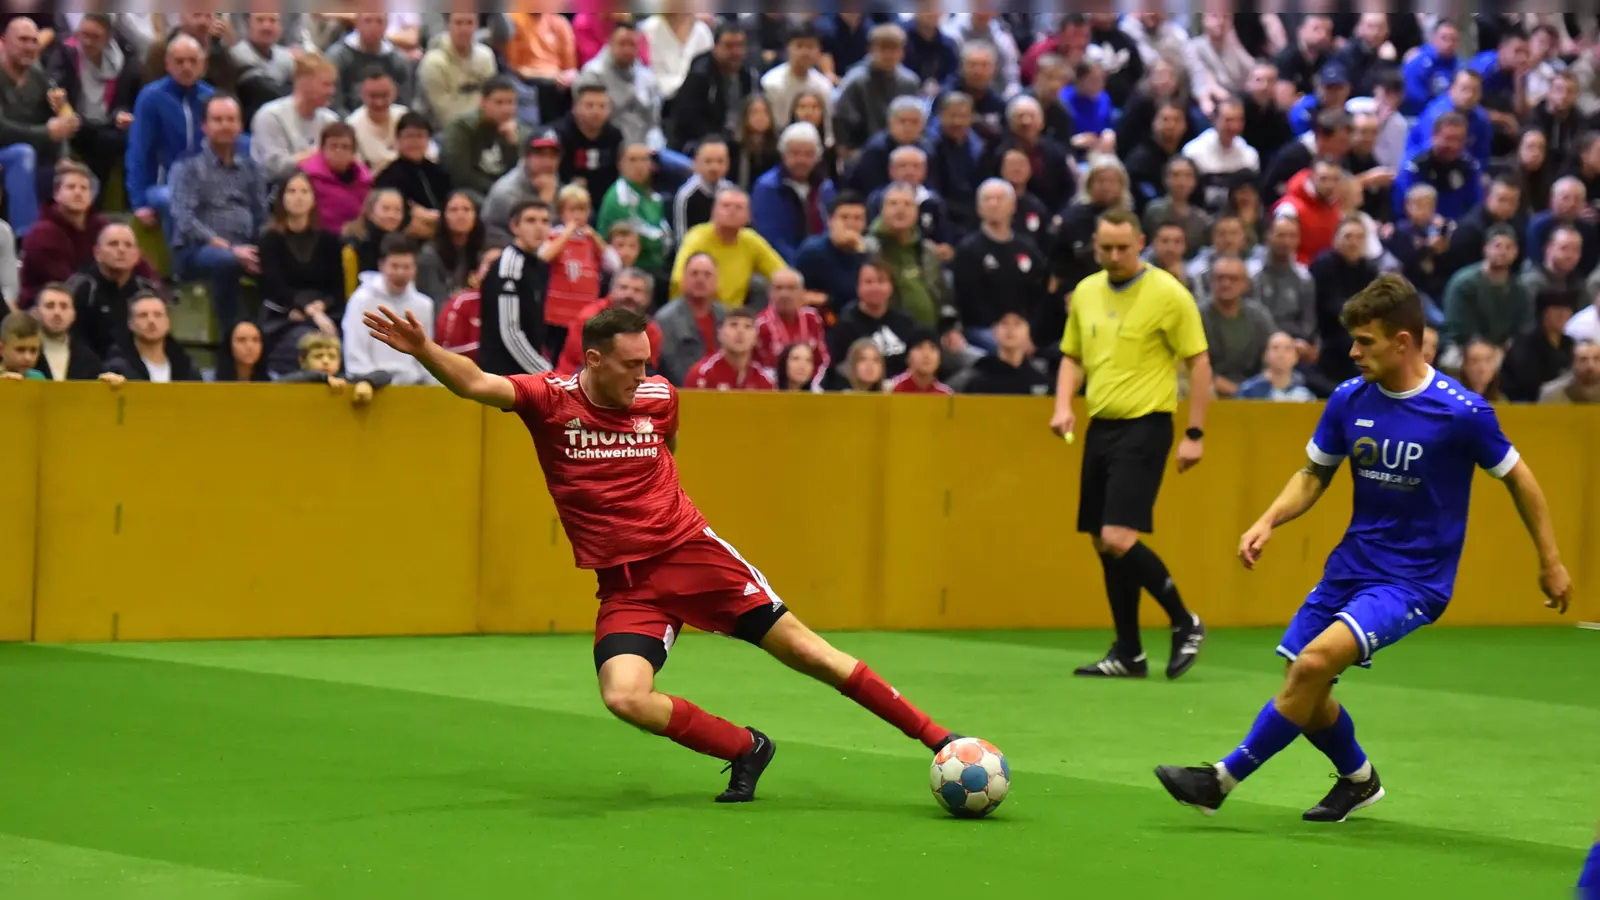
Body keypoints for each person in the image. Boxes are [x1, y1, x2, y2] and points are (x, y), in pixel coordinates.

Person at [358, 303, 962, 802]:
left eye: (647, 361)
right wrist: (425, 350)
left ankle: (940, 740)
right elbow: (475, 383)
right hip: (625, 586)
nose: (642, 375)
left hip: (692, 557)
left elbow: (669, 445)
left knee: (811, 654)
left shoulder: (658, 395)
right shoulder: (550, 399)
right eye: (629, 364)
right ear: (592, 359)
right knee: (624, 695)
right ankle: (745, 748)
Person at [1155, 273, 1570, 822]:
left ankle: (1220, 780)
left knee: (1313, 665)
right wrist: (1269, 520)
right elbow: (1313, 474)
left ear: (1404, 341)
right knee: (1305, 686)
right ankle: (1358, 780)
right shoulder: (1350, 400)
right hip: (1351, 566)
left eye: (1364, 341)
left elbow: (1521, 480)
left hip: (1414, 581)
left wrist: (1551, 560)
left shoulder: (1461, 411)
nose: (1351, 352)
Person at [1049, 209, 1211, 680]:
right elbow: (1072, 356)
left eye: (1124, 247)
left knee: (1120, 537)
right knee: (1103, 541)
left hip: (1147, 423)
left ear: (1140, 241)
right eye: (1106, 248)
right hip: (1101, 423)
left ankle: (1185, 620)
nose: (1116, 256)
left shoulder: (1168, 294)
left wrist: (1194, 433)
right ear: (1095, 246)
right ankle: (1129, 652)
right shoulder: (1086, 292)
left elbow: (1198, 363)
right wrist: (1063, 406)